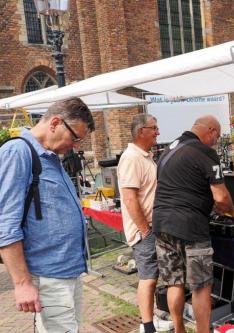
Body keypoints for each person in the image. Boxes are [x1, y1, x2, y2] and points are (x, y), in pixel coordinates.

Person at [0, 97, 94, 332]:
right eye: (75, 138)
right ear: (55, 123)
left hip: (66, 270)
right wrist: (22, 283)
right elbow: (5, 222)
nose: (75, 146)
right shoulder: (18, 152)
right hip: (49, 274)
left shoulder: (49, 157)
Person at [153, 115, 234, 333]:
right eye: (218, 137)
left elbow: (183, 186)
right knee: (201, 286)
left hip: (162, 222)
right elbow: (222, 198)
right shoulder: (205, 152)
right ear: (211, 131)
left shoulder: (170, 148)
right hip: (190, 226)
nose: (217, 142)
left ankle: (179, 329)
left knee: (173, 282)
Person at [117, 114, 168, 333]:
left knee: (154, 277)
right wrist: (145, 230)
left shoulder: (145, 156)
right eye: (153, 128)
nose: (157, 132)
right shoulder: (131, 158)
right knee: (148, 277)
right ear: (141, 132)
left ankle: (153, 318)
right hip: (144, 229)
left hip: (151, 226)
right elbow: (129, 198)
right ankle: (147, 326)